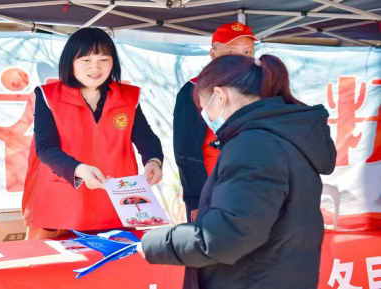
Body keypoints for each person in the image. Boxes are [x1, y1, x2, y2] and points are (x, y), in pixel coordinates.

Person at [138, 54, 337, 289]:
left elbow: (226, 235)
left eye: (205, 109)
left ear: (220, 96)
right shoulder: (288, 136)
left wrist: (156, 243)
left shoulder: (254, 144)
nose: (207, 118)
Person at [22, 28, 164, 239]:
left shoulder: (128, 97)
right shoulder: (48, 96)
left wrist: (154, 161)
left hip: (116, 200)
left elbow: (146, 138)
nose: (95, 67)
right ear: (70, 62)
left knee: (118, 266)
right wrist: (79, 169)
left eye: (103, 59)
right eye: (86, 60)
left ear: (112, 62)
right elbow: (45, 148)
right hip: (63, 200)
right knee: (57, 267)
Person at [174, 22, 258, 222]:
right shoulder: (194, 90)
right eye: (231, 52)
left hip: (253, 189)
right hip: (211, 191)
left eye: (247, 52)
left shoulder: (259, 89)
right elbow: (186, 150)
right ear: (213, 55)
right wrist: (196, 199)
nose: (241, 59)